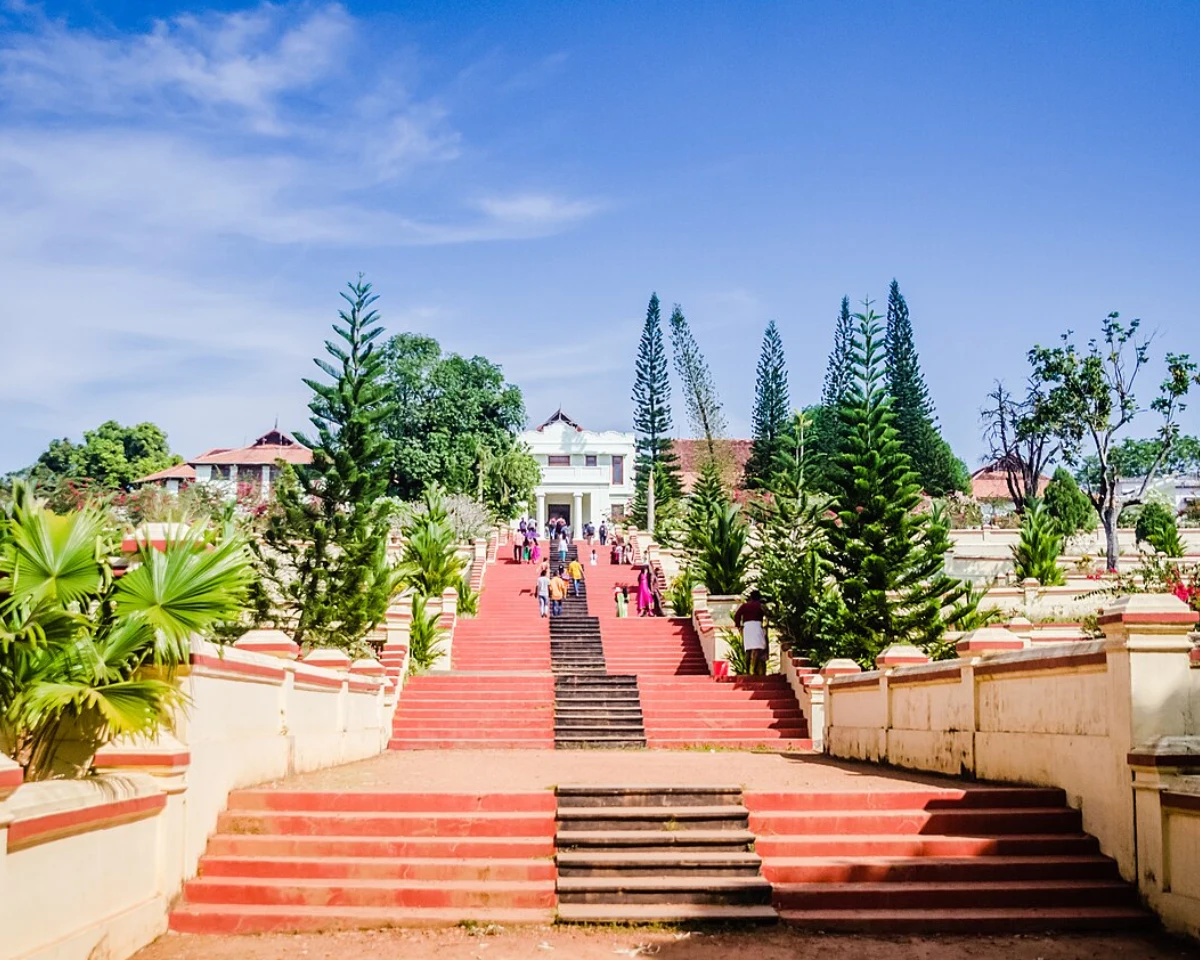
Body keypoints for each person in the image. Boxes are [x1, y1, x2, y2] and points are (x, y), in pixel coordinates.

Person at [733, 589, 768, 675]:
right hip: (757, 626)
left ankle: (748, 670)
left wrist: (738, 626)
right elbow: (769, 614)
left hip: (747, 627)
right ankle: (756, 669)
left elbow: (737, 615)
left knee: (748, 649)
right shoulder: (760, 605)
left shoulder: (745, 606)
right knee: (757, 648)